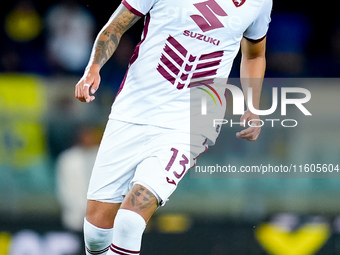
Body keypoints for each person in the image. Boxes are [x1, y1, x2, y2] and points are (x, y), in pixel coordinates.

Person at [75, 0, 272, 254]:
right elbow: (115, 26)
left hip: (192, 120)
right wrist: (94, 67)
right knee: (96, 234)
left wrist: (252, 106)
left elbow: (254, 53)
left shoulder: (259, 2)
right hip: (134, 109)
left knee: (129, 222)